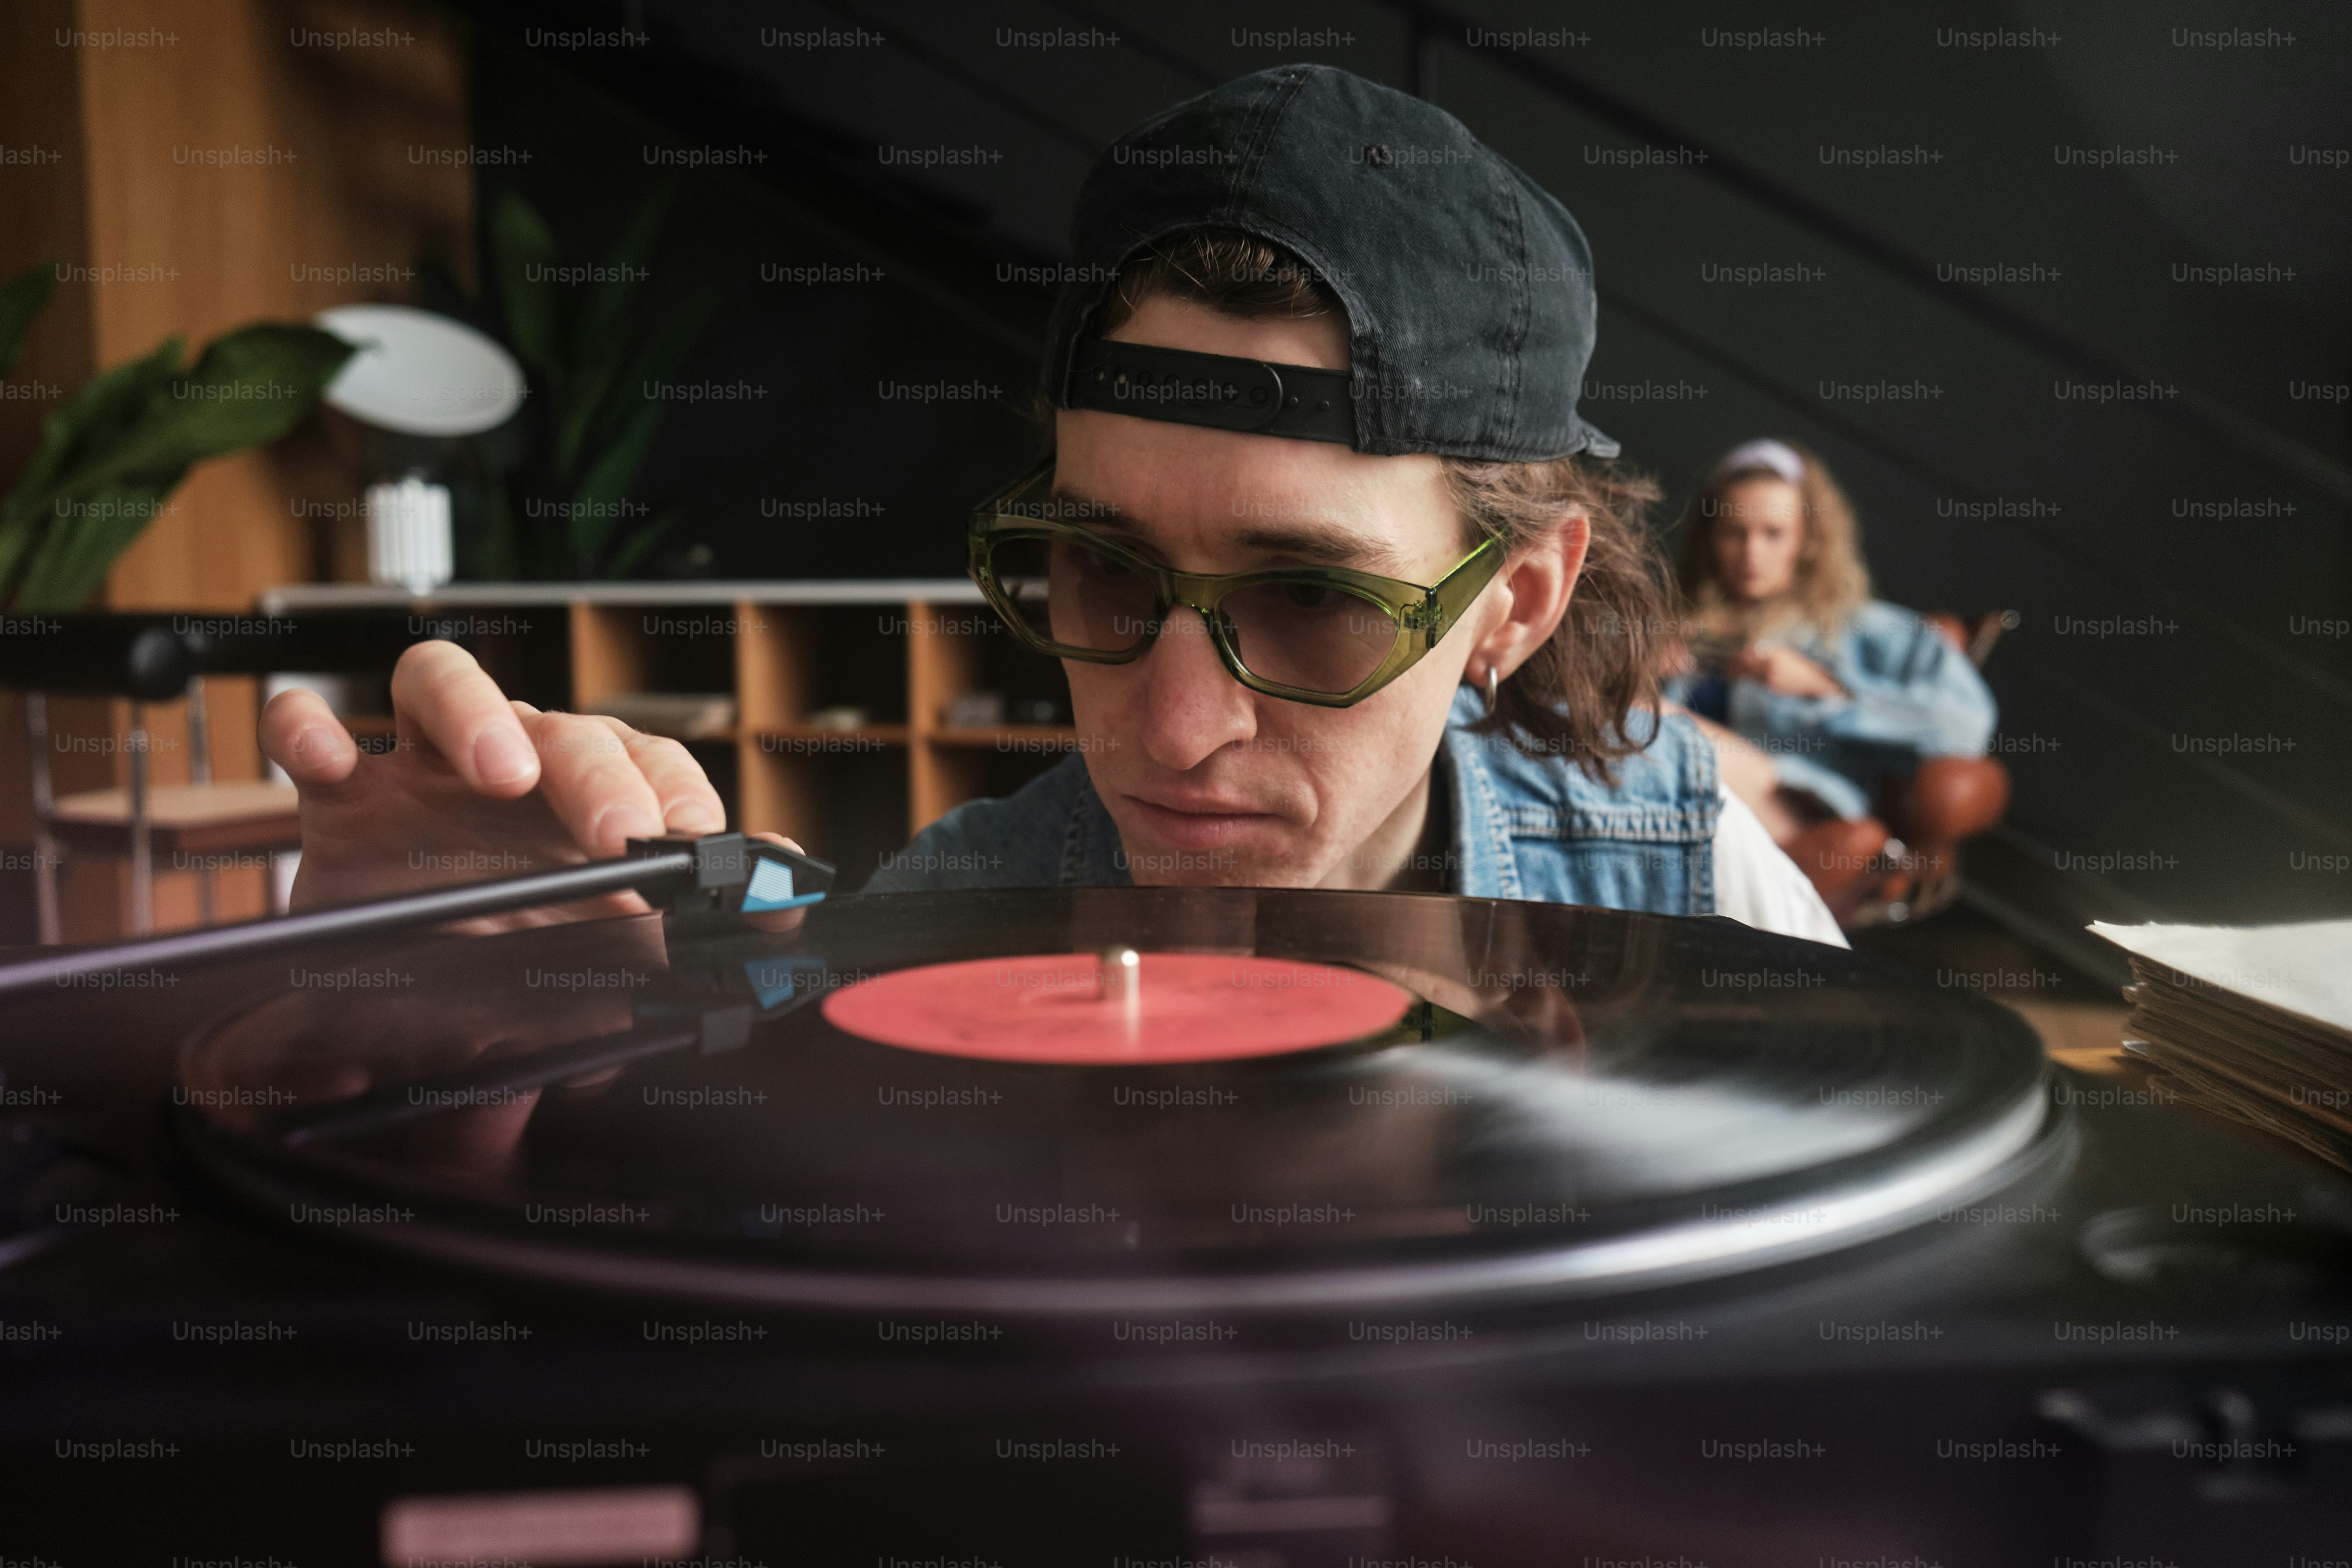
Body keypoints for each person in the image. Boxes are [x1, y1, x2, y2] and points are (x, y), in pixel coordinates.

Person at [260, 66, 1842, 948]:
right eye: (1097, 574)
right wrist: (440, 1066)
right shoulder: (957, 913)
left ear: (1512, 601)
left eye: (1311, 601)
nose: (1164, 731)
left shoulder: (1685, 884)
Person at [1664, 438, 2000, 912]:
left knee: (1654, 723)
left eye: (1773, 533)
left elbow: (1964, 726)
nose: (1751, 553)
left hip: (1794, 808)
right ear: (1709, 539)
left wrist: (1827, 690)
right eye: (1734, 533)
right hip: (1679, 809)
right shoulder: (1677, 625)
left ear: (1808, 540)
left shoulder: (1862, 628)